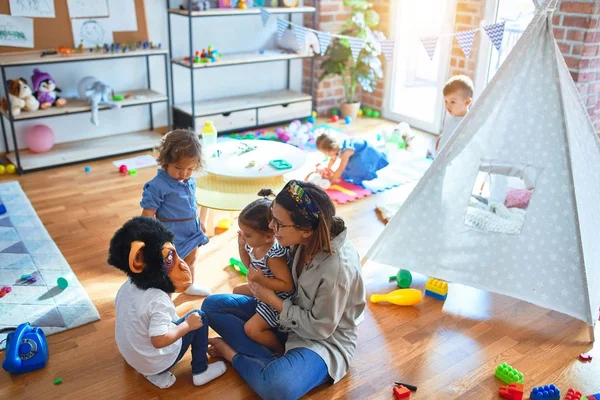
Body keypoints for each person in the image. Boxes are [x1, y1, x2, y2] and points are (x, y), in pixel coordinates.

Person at [202, 180, 366, 400]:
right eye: (272, 218)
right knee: (212, 306)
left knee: (278, 388)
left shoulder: (337, 270)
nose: (270, 227)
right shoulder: (297, 237)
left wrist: (271, 300)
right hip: (284, 317)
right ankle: (269, 361)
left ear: (306, 230)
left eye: (278, 223)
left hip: (321, 342)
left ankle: (233, 354)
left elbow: (320, 330)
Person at [108, 217, 226, 389]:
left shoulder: (126, 287)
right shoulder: (158, 300)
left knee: (166, 320)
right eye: (169, 259)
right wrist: (186, 325)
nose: (183, 265)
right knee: (198, 318)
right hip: (154, 362)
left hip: (131, 356)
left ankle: (149, 368)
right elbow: (159, 340)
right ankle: (200, 371)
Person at [140, 129, 211, 296]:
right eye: (179, 168)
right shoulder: (158, 185)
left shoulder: (189, 181)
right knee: (170, 269)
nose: (184, 173)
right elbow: (148, 212)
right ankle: (166, 299)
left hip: (191, 231)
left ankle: (189, 286)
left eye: (190, 169)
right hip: (172, 235)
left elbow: (191, 204)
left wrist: (199, 221)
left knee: (191, 260)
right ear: (166, 161)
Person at [233, 191, 293, 354]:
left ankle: (279, 350)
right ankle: (258, 316)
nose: (244, 237)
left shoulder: (274, 256)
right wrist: (241, 247)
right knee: (237, 290)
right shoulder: (257, 246)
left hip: (276, 299)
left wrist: (262, 281)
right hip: (262, 289)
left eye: (248, 235)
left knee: (251, 329)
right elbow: (249, 266)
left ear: (268, 236)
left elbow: (287, 286)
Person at [316, 131, 389, 186]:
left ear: (331, 149)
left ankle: (367, 174)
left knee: (353, 167)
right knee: (348, 167)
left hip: (366, 155)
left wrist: (331, 179)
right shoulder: (336, 149)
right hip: (358, 153)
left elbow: (341, 168)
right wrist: (328, 169)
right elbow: (332, 159)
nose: (325, 155)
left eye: (325, 153)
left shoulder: (346, 151)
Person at [434, 74, 474, 157]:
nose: (448, 106)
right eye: (446, 101)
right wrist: (441, 138)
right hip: (441, 153)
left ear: (467, 102)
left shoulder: (468, 122)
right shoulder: (450, 114)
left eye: (452, 102)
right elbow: (448, 129)